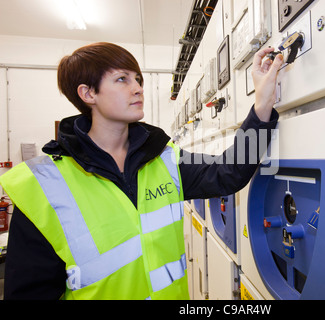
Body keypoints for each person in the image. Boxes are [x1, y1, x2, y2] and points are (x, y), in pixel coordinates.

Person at [0, 42, 284, 300]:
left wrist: (262, 105)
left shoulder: (163, 158)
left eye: (138, 79)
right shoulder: (44, 186)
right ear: (88, 93)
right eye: (122, 79)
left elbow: (229, 172)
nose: (137, 88)